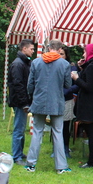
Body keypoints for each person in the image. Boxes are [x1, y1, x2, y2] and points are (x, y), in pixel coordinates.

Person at [24, 39, 73, 173]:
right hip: (56, 102)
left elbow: (30, 85)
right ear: (59, 49)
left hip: (39, 101)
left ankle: (30, 164)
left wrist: (33, 96)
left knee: (37, 132)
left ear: (48, 48)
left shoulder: (36, 62)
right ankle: (61, 166)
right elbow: (68, 85)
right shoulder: (64, 64)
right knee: (58, 133)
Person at [71, 43, 93, 168]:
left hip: (89, 102)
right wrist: (82, 67)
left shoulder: (92, 67)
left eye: (85, 52)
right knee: (91, 132)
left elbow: (88, 86)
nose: (83, 54)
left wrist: (76, 78)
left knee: (90, 133)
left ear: (91, 52)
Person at [7, 39, 34, 166]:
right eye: (31, 49)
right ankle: (16, 156)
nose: (33, 51)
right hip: (19, 102)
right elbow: (18, 85)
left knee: (22, 128)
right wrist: (24, 103)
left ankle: (20, 152)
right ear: (24, 49)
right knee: (18, 129)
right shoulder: (18, 64)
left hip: (23, 100)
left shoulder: (25, 62)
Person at [60, 46, 79, 158]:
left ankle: (66, 149)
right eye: (59, 53)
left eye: (62, 54)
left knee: (66, 126)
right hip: (55, 100)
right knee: (56, 126)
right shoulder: (52, 66)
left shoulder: (72, 68)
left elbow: (77, 85)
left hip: (67, 100)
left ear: (66, 55)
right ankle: (56, 149)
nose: (60, 56)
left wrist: (67, 90)